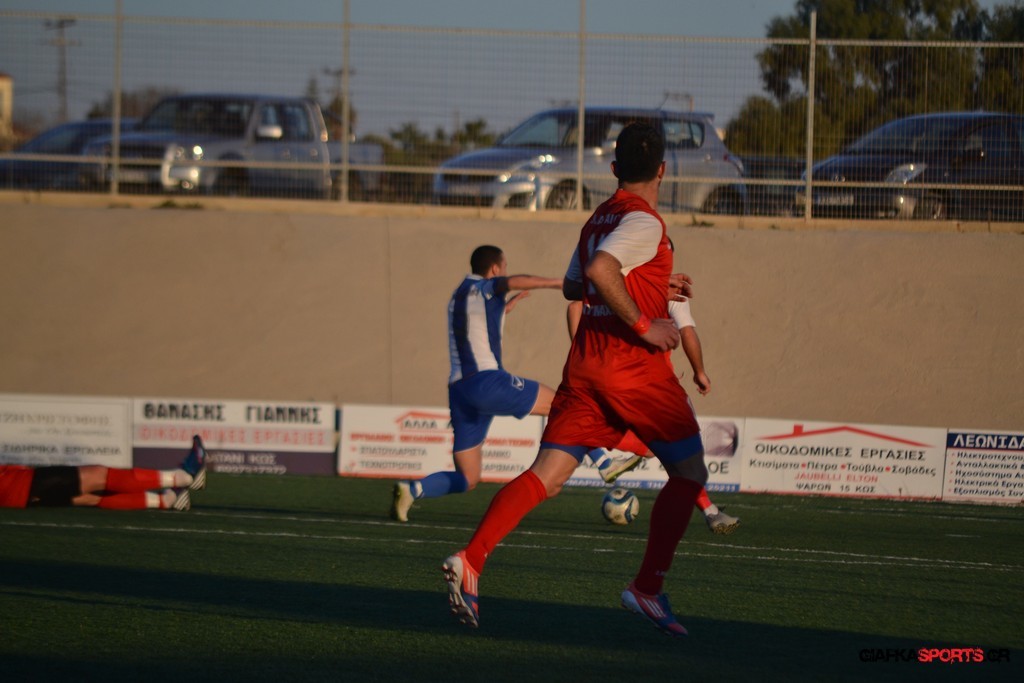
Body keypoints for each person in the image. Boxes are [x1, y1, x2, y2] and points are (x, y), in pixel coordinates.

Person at [442, 121, 710, 636]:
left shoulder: (598, 219)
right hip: (632, 369)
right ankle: (647, 588)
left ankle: (471, 559)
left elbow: (573, 286)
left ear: (614, 168)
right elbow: (600, 273)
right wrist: (644, 323)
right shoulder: (644, 221)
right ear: (663, 170)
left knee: (548, 475)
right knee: (690, 472)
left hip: (586, 367)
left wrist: (653, 282)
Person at [390, 245, 564, 522]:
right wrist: (558, 283)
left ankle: (413, 490)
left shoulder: (458, 294)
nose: (504, 271)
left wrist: (505, 309)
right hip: (486, 381)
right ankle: (604, 462)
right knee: (563, 405)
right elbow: (514, 281)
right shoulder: (486, 287)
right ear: (494, 268)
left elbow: (475, 324)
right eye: (503, 267)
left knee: (468, 477)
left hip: (460, 392)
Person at [567, 289, 740, 535]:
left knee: (576, 419)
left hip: (611, 381)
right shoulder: (670, 293)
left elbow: (574, 307)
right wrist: (699, 371)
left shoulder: (616, 285)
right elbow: (687, 332)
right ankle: (709, 512)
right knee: (680, 457)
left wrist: (583, 357)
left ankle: (604, 461)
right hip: (656, 386)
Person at [0, 434, 209, 511]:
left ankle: (167, 500)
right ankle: (185, 476)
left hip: (13, 491)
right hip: (15, 484)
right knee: (97, 475)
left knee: (90, 497)